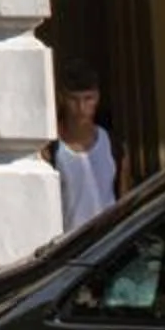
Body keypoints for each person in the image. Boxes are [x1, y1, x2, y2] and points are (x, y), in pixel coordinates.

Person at [46, 70, 120, 231]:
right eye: (74, 100)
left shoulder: (113, 144)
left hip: (110, 242)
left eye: (88, 99)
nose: (81, 108)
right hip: (69, 245)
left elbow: (124, 197)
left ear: (97, 98)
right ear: (62, 98)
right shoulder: (50, 149)